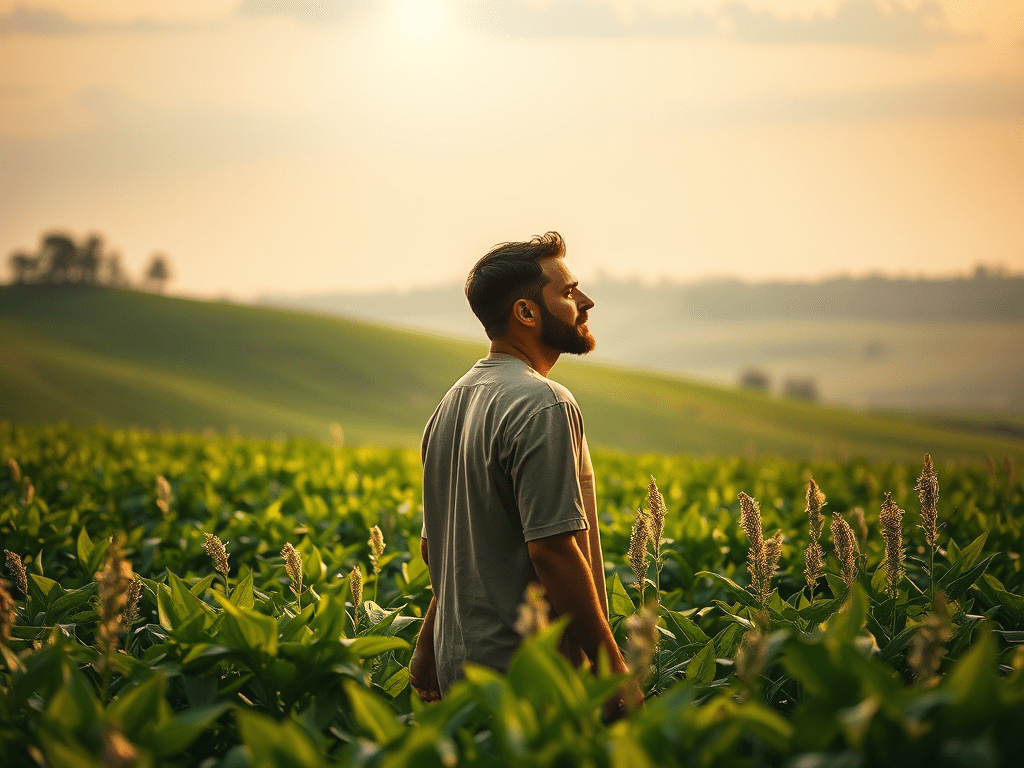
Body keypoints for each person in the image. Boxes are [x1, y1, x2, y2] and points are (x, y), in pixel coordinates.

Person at [409, 231, 642, 717]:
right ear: (527, 312)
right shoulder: (544, 404)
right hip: (530, 684)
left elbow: (441, 549)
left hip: (464, 677)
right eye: (568, 291)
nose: (585, 301)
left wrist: (428, 644)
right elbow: (554, 551)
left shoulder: (450, 405)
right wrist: (612, 672)